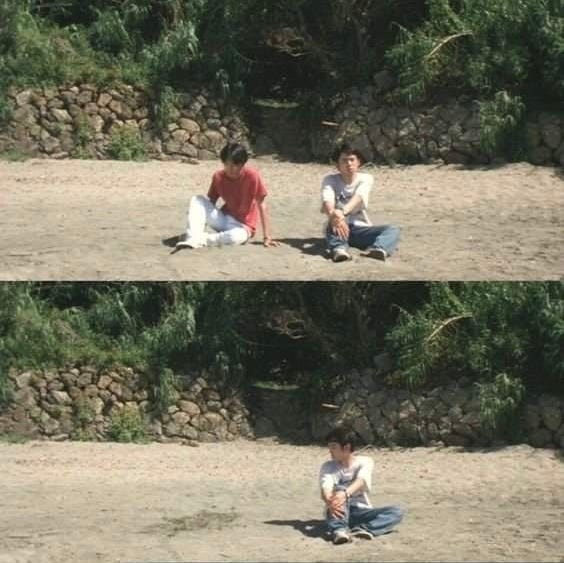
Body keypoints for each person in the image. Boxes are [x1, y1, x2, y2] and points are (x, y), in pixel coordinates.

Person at [176, 143, 279, 249]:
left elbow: (261, 204)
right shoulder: (218, 177)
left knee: (235, 238)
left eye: (234, 165)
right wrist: (198, 217)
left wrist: (267, 237)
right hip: (223, 219)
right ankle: (192, 237)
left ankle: (201, 238)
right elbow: (210, 203)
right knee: (197, 200)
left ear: (242, 164)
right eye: (226, 164)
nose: (230, 169)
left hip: (243, 227)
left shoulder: (252, 176)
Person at [319, 426, 404, 545]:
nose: (330, 451)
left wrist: (345, 494)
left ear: (346, 447)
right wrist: (330, 501)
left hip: (361, 511)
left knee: (397, 511)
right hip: (338, 510)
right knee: (339, 489)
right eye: (329, 447)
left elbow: (361, 480)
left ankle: (364, 529)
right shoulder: (328, 466)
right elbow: (326, 487)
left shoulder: (365, 461)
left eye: (333, 447)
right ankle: (339, 530)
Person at [321, 143, 400, 262]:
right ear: (338, 165)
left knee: (393, 229)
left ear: (359, 162)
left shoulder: (366, 178)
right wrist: (334, 214)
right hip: (337, 227)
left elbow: (359, 197)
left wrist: (341, 212)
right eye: (344, 160)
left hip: (360, 229)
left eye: (352, 160)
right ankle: (339, 249)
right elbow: (327, 199)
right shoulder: (330, 180)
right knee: (333, 221)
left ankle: (379, 249)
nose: (349, 163)